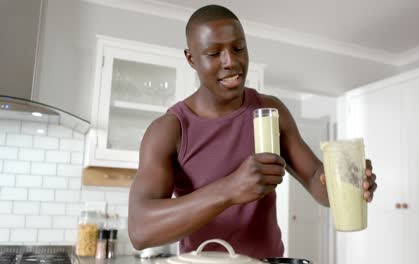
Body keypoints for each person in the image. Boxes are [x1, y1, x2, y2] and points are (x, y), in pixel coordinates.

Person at [128, 4, 377, 258]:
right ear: (191, 58)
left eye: (238, 48)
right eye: (214, 53)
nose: (231, 61)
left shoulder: (270, 109)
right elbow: (140, 231)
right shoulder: (169, 130)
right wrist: (230, 189)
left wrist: (346, 181)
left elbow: (316, 179)